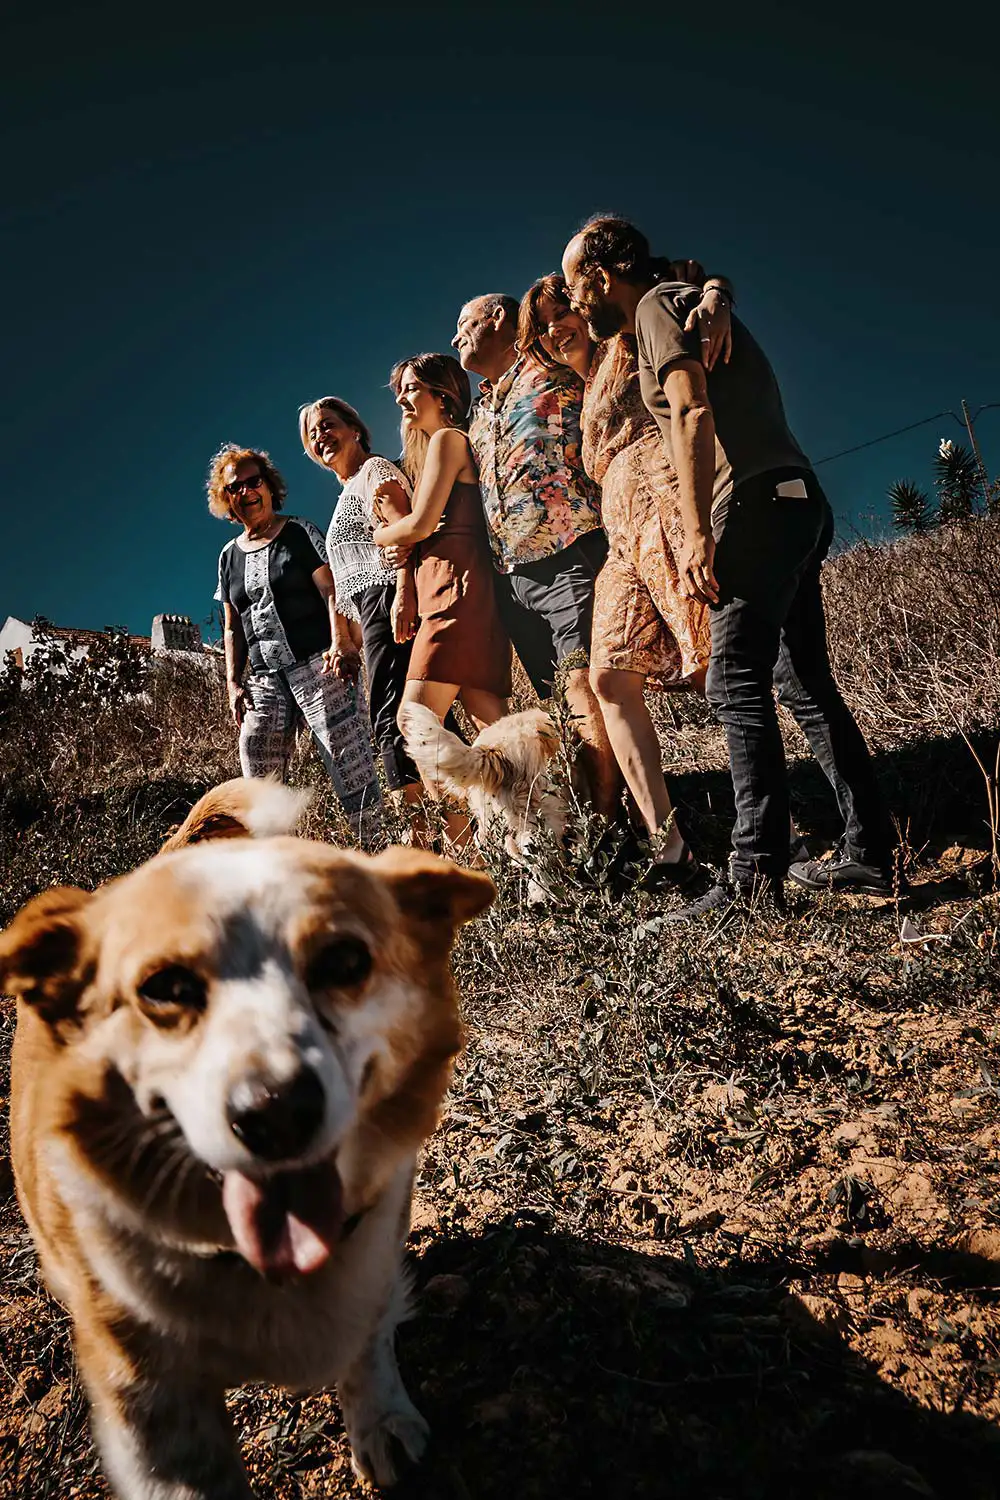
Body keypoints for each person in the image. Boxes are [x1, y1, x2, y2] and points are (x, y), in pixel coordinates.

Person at [561, 216, 896, 917]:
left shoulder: (654, 305)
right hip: (798, 498)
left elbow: (688, 411)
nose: (572, 298)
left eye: (573, 282)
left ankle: (752, 873)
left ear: (601, 273)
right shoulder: (689, 298)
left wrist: (695, 530)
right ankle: (869, 850)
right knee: (802, 682)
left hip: (747, 504)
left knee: (736, 684)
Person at [517, 273, 719, 882]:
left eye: (564, 312)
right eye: (544, 325)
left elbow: (682, 279)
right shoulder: (576, 386)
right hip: (621, 532)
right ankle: (668, 846)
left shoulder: (624, 344)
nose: (556, 329)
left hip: (666, 502)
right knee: (608, 675)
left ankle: (774, 824)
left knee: (712, 659)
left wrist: (717, 293)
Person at [451, 291, 620, 817]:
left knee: (582, 687)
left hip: (570, 553)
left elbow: (611, 332)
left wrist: (708, 287)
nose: (456, 336)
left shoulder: (554, 362)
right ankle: (581, 817)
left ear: (497, 319)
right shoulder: (477, 410)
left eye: (464, 323)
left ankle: (614, 828)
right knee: (553, 699)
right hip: (511, 575)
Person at [208, 443, 382, 845]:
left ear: (269, 487)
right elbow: (232, 625)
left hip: (319, 666)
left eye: (254, 482)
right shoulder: (227, 557)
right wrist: (233, 682)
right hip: (266, 680)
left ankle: (379, 854)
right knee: (257, 768)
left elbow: (332, 590)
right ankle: (276, 864)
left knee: (350, 764)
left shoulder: (300, 532)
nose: (247, 492)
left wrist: (341, 643)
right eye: (236, 487)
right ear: (227, 498)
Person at [299, 396, 429, 809]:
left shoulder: (374, 471)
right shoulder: (346, 493)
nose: (322, 436)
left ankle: (420, 837)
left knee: (392, 719)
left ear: (355, 429)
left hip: (392, 601)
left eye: (328, 424)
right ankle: (464, 827)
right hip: (374, 613)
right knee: (415, 715)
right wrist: (347, 640)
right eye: (312, 434)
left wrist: (405, 593)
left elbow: (404, 533)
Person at [373, 353, 512, 731]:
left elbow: (419, 526)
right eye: (399, 392)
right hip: (455, 584)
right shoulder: (444, 445)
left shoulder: (448, 440)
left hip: (453, 587)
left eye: (411, 389)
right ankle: (531, 790)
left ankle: (453, 794)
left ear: (443, 396)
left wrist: (380, 532)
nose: (401, 400)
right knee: (488, 720)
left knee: (414, 721)